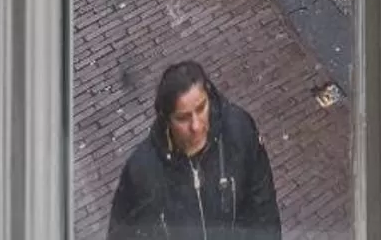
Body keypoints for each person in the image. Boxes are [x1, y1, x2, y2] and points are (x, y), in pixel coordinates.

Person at [107, 61, 282, 237]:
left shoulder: (238, 132)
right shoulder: (142, 172)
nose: (196, 126)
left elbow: (264, 214)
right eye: (183, 118)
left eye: (201, 108)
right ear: (167, 119)